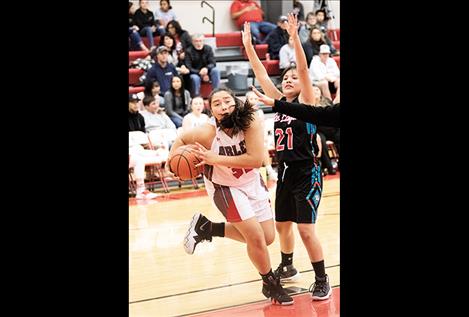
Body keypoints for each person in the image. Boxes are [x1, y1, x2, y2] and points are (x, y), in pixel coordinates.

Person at [170, 88, 293, 305]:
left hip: (251, 182)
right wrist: (173, 162)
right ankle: (270, 283)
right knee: (255, 237)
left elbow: (255, 160)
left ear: (235, 102)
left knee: (267, 238)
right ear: (212, 110)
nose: (224, 106)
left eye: (227, 100)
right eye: (217, 103)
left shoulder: (250, 121)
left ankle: (207, 227)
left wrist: (214, 158)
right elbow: (180, 140)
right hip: (223, 187)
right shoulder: (206, 132)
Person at [242, 14, 332, 300]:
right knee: (282, 226)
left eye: (293, 77)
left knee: (306, 230)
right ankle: (289, 266)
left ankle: (322, 278)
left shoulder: (306, 102)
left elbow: (304, 70)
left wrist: (294, 38)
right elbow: (261, 75)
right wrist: (248, 46)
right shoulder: (280, 103)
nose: (290, 79)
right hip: (284, 172)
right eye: (286, 78)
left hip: (307, 171)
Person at [245, 91, 278, 181]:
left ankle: (269, 170)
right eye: (251, 99)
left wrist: (265, 138)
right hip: (247, 138)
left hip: (259, 137)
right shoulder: (244, 113)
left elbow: (262, 127)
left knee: (263, 146)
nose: (253, 101)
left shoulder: (260, 112)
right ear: (246, 100)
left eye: (255, 99)